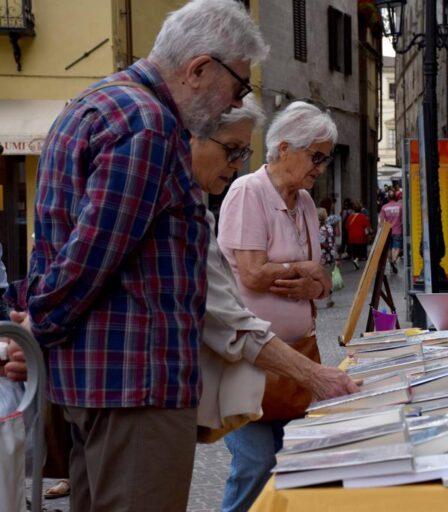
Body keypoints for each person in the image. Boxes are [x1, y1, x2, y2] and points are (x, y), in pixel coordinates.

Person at [15, 1, 266, 510]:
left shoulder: (97, 102)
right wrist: (39, 329)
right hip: (135, 385)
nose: (231, 104)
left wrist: (40, 330)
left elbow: (65, 249)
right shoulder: (148, 125)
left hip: (103, 382)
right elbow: (88, 259)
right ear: (199, 69)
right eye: (238, 87)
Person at [217, 100, 339, 508]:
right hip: (246, 361)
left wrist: (313, 284)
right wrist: (302, 268)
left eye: (326, 158)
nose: (321, 167)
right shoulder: (247, 191)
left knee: (294, 463)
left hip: (297, 357)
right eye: (316, 156)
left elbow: (322, 281)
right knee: (254, 463)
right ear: (285, 148)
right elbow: (251, 273)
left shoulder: (304, 202)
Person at [317, 207, 338, 308]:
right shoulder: (329, 227)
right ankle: (329, 299)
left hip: (321, 256)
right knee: (328, 278)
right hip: (331, 256)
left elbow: (320, 242)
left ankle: (315, 299)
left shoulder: (317, 229)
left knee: (318, 277)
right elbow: (333, 240)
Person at [379, 190, 403, 273]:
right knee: (396, 247)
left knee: (388, 248)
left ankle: (390, 261)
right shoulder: (400, 207)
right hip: (397, 230)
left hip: (387, 231)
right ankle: (394, 260)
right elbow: (403, 219)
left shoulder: (384, 207)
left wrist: (380, 231)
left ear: (388, 198)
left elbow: (381, 222)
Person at [345, 201, 371, 269]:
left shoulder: (350, 217)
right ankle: (356, 260)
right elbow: (366, 227)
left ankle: (355, 259)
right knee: (359, 250)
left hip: (351, 236)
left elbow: (347, 227)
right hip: (360, 237)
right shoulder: (363, 217)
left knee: (354, 250)